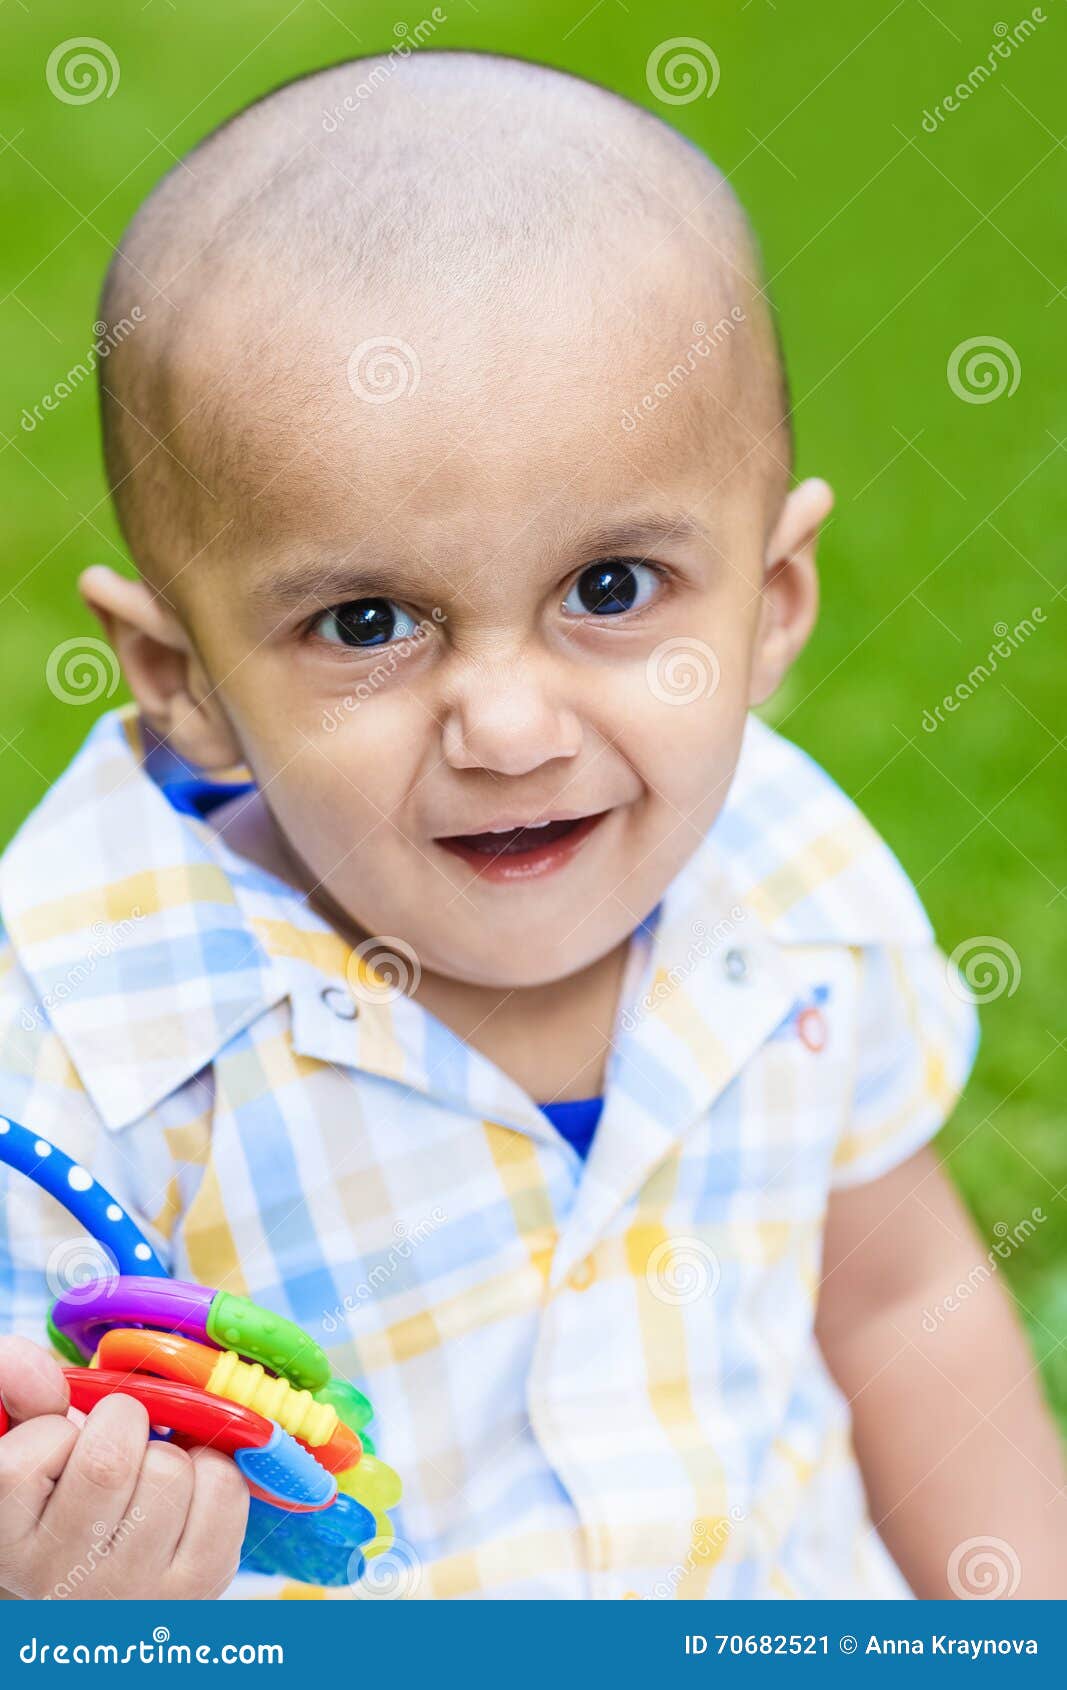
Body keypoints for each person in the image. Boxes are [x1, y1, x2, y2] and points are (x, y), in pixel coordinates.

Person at [0, 51, 1062, 1601]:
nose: (508, 726)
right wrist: (71, 1596)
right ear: (186, 681)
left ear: (772, 603)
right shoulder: (78, 1042)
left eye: (611, 590)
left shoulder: (795, 879)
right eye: (368, 620)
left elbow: (899, 1302)